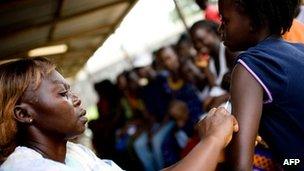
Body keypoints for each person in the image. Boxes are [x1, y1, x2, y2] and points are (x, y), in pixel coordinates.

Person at [0, 57, 238, 171]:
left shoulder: (75, 153)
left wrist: (210, 148)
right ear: (23, 114)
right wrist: (212, 140)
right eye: (62, 94)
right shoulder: (27, 168)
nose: (76, 99)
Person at [218, 0, 304, 170]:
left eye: (226, 21)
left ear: (254, 21)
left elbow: (241, 166)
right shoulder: (300, 49)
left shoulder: (251, 66)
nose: (220, 29)